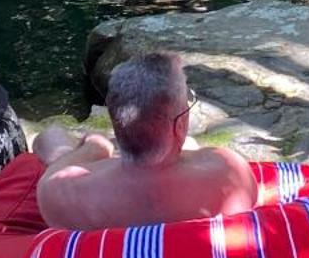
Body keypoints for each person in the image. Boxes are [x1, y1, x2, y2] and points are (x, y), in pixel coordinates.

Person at [32, 51, 257, 230]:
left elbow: (43, 147)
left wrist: (94, 145)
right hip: (168, 168)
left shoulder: (58, 192)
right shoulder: (231, 175)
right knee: (189, 144)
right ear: (179, 125)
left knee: (52, 136)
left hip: (105, 181)